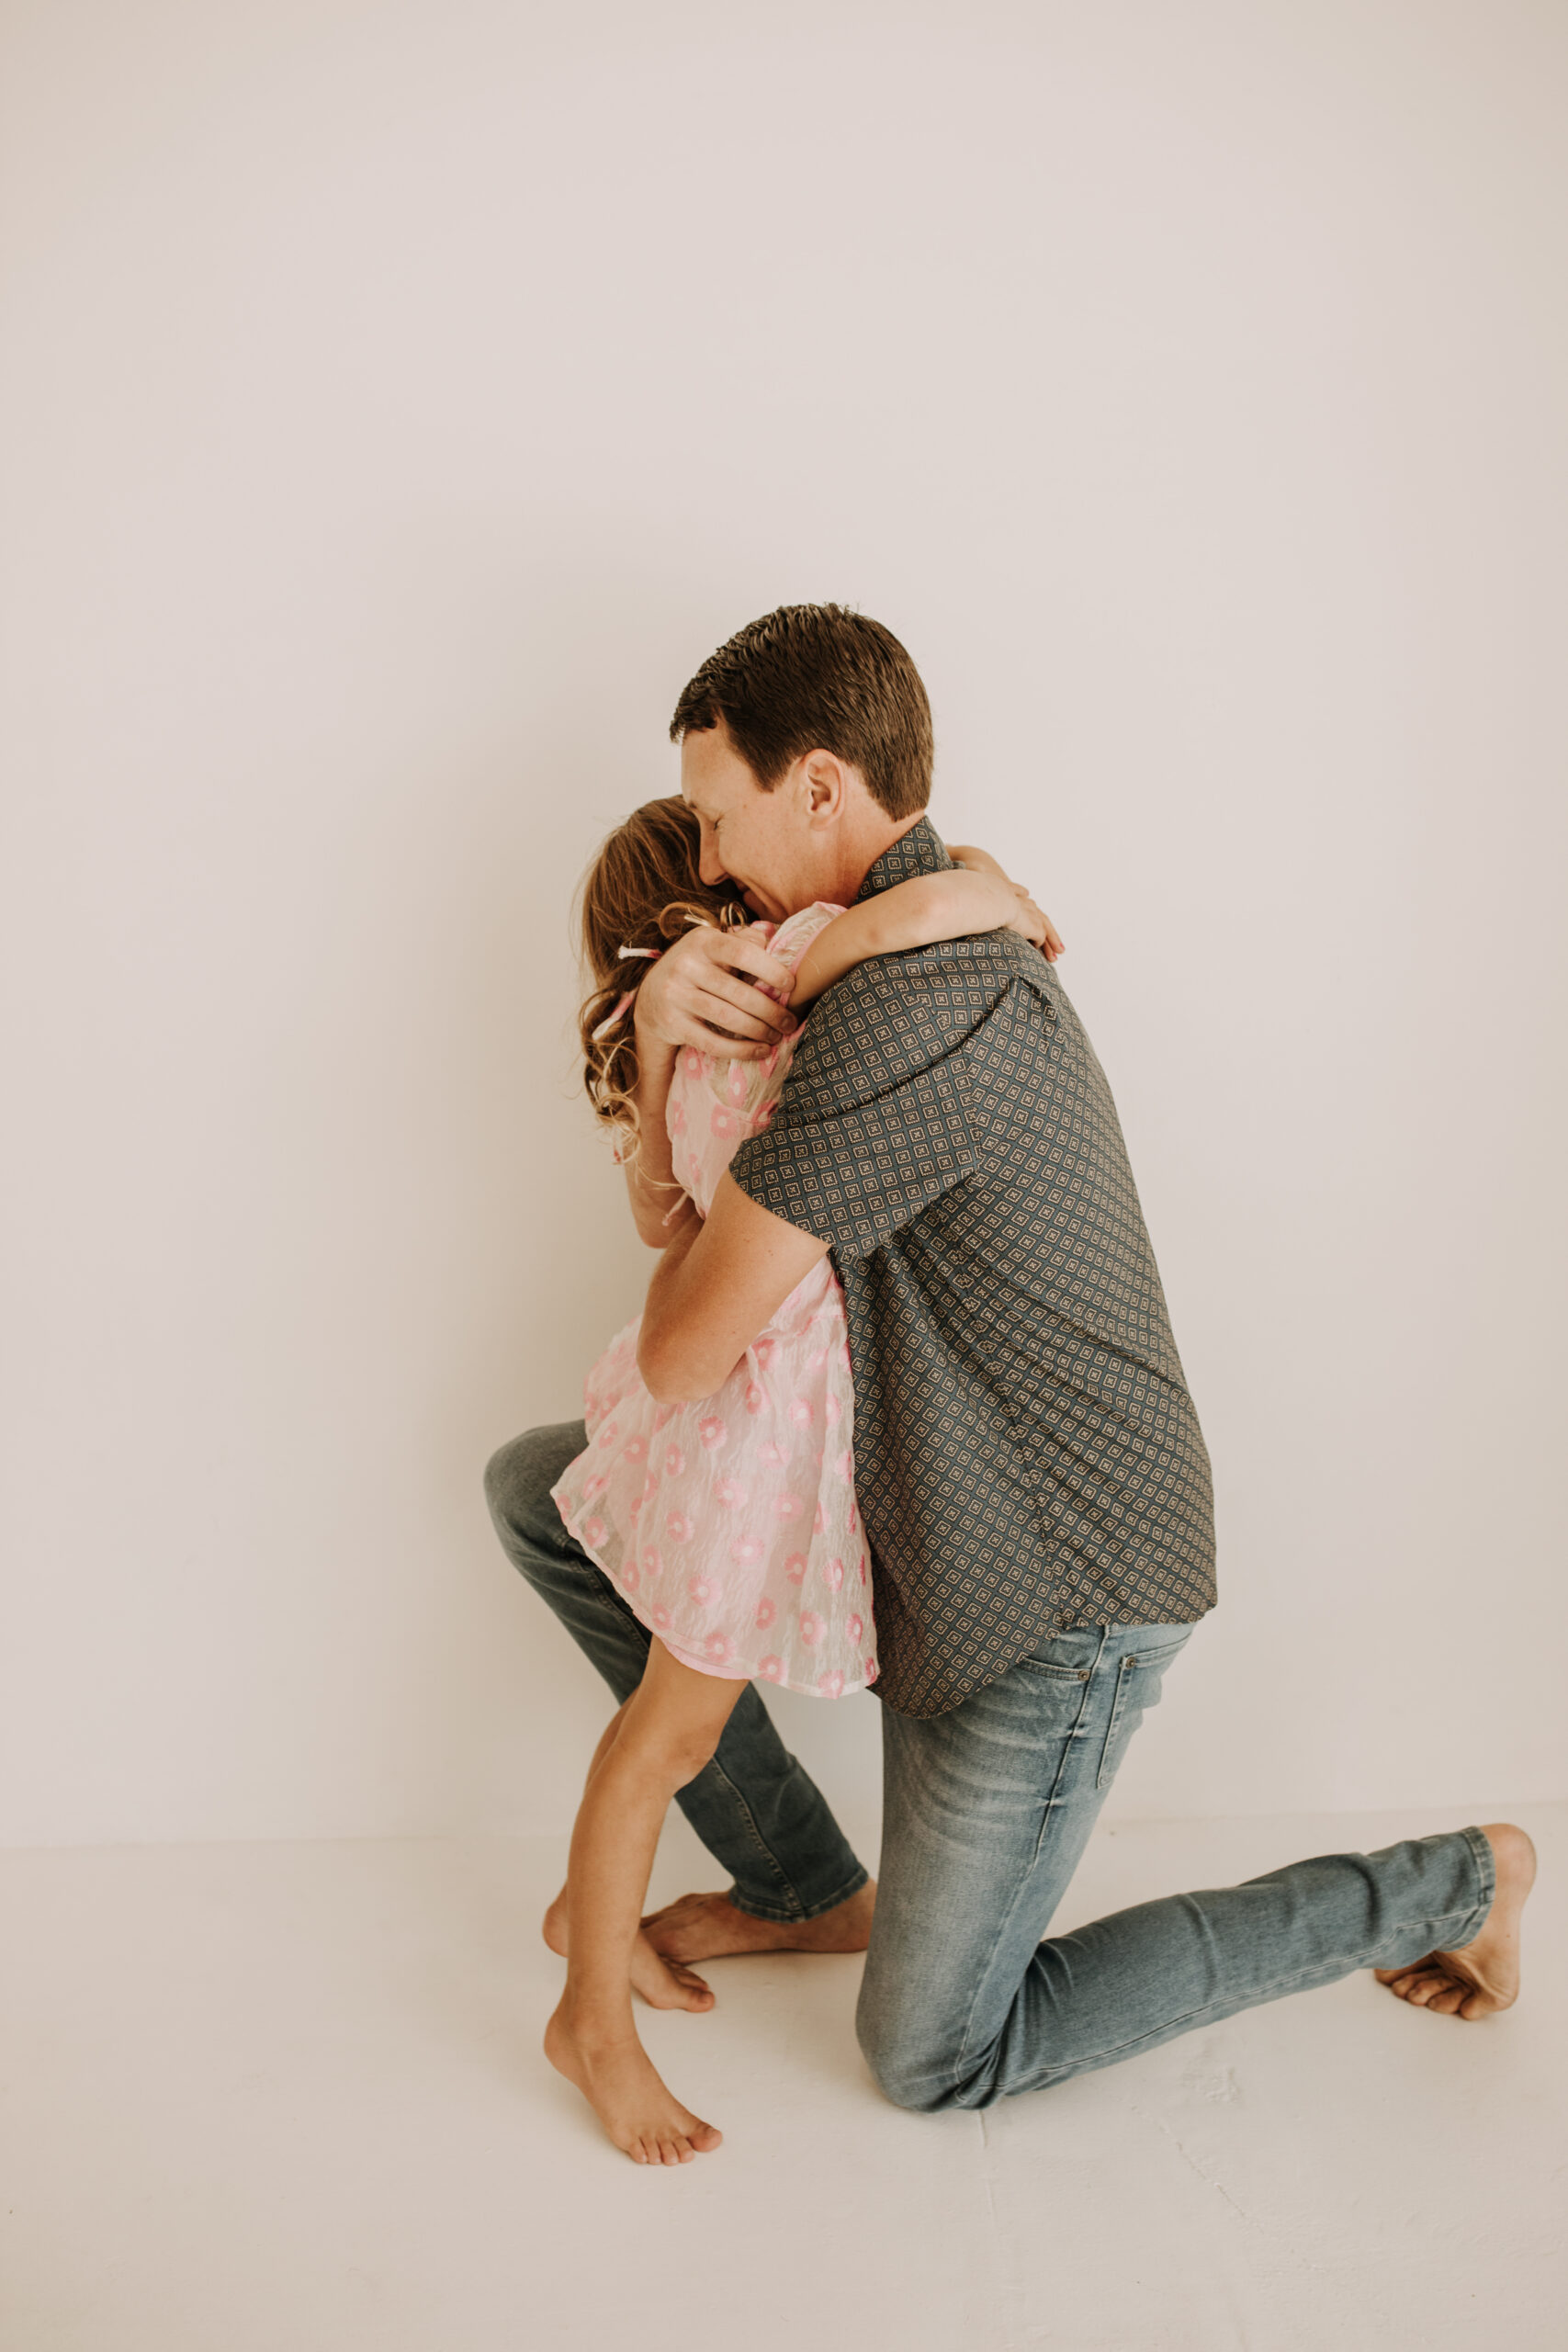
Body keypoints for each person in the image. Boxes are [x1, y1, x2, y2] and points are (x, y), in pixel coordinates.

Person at [487, 604, 1534, 2147]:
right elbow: (910, 926)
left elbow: (687, 1344)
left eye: (722, 816)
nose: (710, 862)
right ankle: (802, 1888)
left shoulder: (911, 996)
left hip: (1054, 1585)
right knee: (544, 1489)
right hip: (941, 1500)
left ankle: (1458, 1882)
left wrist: (663, 1025)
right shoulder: (906, 933)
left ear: (824, 788)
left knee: (931, 2056)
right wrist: (657, 1030)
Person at [540, 792, 1061, 2163]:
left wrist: (650, 1045)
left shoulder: (693, 1027)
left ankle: (599, 1935)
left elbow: (664, 1217)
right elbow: (943, 893)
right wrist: (1008, 898)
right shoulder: (783, 968)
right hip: (751, 1428)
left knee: (667, 1730)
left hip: (734, 1417)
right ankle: (590, 2013)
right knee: (667, 1735)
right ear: (710, 912)